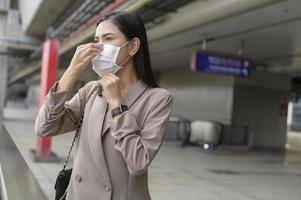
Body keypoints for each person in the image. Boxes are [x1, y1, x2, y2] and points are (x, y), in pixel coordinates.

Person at [34, 11, 173, 200]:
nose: (99, 47)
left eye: (108, 38)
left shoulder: (158, 99)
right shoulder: (91, 90)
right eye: (97, 40)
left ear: (132, 46)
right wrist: (72, 72)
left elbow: (138, 163)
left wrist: (117, 105)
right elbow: (44, 127)